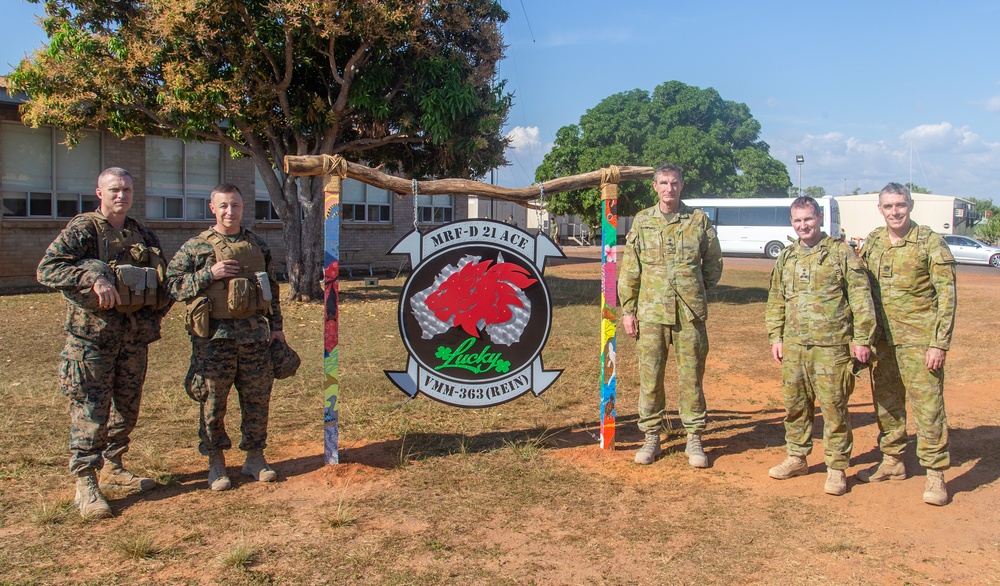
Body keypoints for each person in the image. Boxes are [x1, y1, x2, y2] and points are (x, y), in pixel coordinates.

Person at [36, 167, 170, 518]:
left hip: (132, 342)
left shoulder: (141, 233)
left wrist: (153, 316)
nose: (120, 195)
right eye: (113, 189)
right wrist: (93, 275)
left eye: (126, 189)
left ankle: (114, 467)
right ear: (99, 192)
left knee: (127, 410)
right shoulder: (84, 230)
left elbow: (163, 282)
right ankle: (85, 483)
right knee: (91, 413)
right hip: (91, 342)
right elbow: (47, 269)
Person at [165, 183, 284, 491]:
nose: (230, 212)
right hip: (213, 340)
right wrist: (210, 274)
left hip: (254, 337)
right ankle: (216, 463)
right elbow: (171, 285)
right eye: (224, 206)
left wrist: (277, 328)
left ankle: (255, 457)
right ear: (213, 208)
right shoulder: (196, 247)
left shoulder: (258, 246)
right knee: (213, 402)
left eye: (236, 206)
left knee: (257, 399)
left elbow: (272, 290)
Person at [764, 196, 876, 496]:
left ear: (819, 219)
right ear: (792, 222)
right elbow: (776, 299)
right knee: (795, 406)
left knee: (834, 408)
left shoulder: (841, 253)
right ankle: (797, 457)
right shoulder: (787, 256)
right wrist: (776, 337)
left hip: (832, 346)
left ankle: (837, 468)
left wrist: (862, 339)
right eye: (798, 220)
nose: (804, 225)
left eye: (809, 219)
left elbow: (861, 298)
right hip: (794, 347)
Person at [857, 182, 957, 506]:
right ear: (880, 209)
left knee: (928, 410)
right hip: (882, 344)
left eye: (900, 205)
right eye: (888, 206)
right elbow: (859, 288)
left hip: (920, 343)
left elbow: (947, 297)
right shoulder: (873, 242)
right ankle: (892, 461)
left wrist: (939, 344)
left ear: (910, 205)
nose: (895, 211)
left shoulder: (930, 242)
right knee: (887, 405)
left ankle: (935, 474)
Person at [618, 161, 723, 467]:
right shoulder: (642, 221)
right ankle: (651, 436)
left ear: (681, 185)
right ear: (655, 186)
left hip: (689, 315)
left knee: (691, 378)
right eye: (663, 183)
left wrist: (697, 287)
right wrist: (628, 309)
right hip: (651, 313)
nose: (669, 188)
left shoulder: (698, 220)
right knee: (650, 378)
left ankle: (694, 439)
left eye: (674, 183)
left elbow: (714, 262)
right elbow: (631, 269)